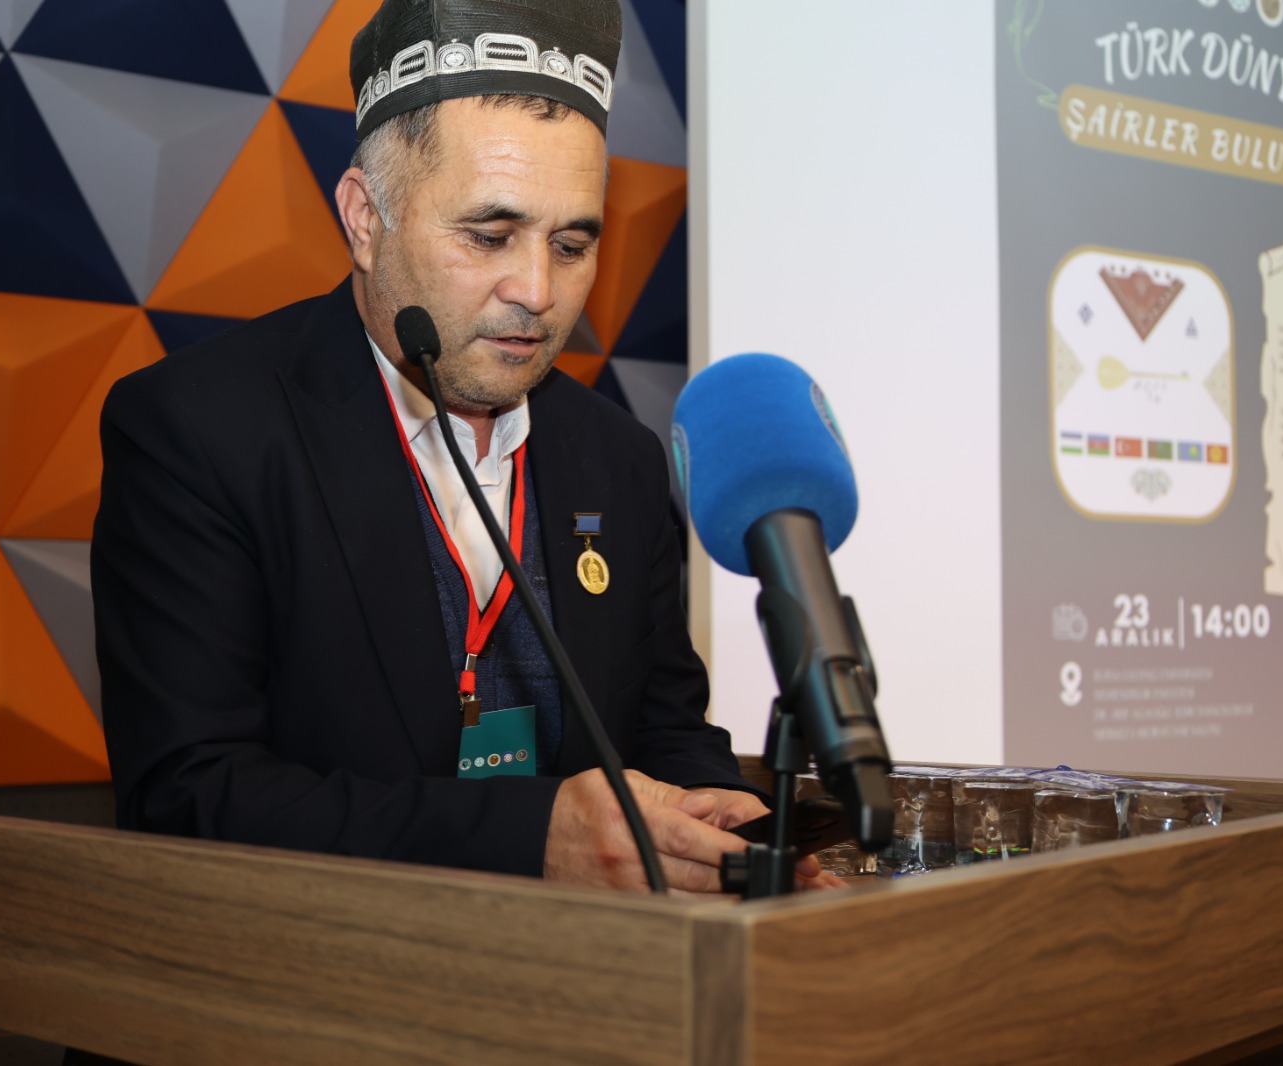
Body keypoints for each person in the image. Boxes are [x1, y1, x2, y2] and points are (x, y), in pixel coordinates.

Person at [91, 0, 832, 894]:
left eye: (572, 244)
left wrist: (727, 827)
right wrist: (527, 839)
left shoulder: (620, 459)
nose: (537, 290)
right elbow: (187, 796)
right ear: (365, 219)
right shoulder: (198, 428)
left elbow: (664, 729)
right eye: (489, 236)